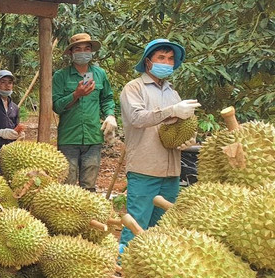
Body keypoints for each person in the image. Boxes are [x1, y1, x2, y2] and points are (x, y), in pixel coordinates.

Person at [119, 39, 200, 247]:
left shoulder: (173, 93)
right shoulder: (134, 88)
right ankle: (124, 266)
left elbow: (183, 126)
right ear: (148, 62)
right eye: (161, 58)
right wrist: (172, 111)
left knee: (162, 225)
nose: (167, 62)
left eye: (171, 59)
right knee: (137, 224)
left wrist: (189, 139)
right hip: (145, 168)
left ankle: (150, 272)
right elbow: (137, 118)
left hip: (171, 171)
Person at [52, 32, 116, 191]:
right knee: (68, 185)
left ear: (91, 52)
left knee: (89, 186)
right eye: (78, 49)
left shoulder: (99, 74)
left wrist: (110, 115)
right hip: (69, 138)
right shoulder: (61, 76)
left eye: (87, 49)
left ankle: (88, 216)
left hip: (93, 137)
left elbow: (107, 98)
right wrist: (76, 95)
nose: (83, 53)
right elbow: (56, 106)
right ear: (71, 53)